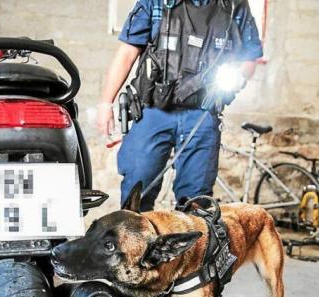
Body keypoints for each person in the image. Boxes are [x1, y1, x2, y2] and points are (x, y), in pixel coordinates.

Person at [97, 0, 263, 211]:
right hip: (152, 112)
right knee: (137, 192)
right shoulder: (156, 2)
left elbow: (250, 56)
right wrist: (105, 104)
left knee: (196, 203)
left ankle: (188, 243)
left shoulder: (234, 5)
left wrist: (239, 77)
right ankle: (135, 242)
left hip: (202, 115)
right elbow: (128, 52)